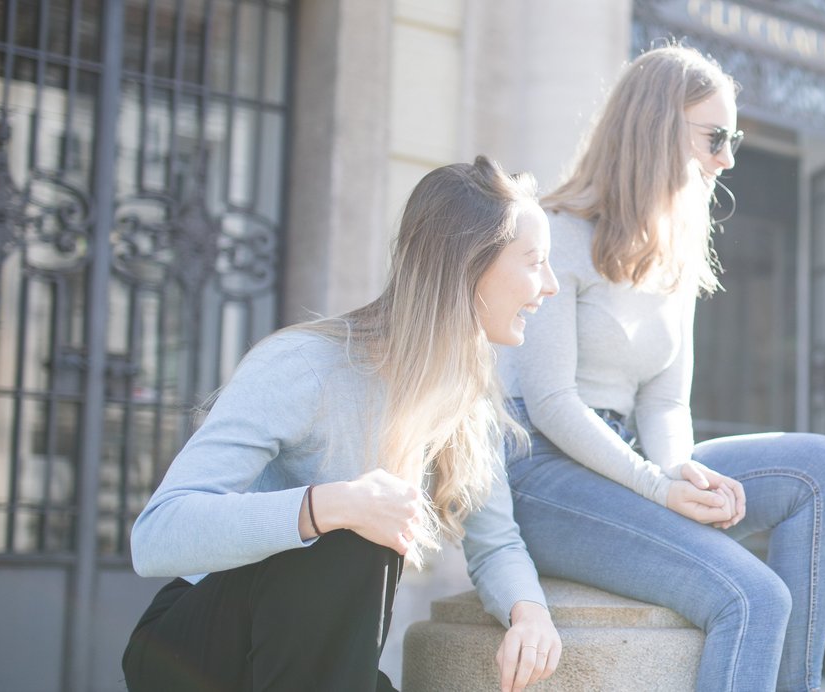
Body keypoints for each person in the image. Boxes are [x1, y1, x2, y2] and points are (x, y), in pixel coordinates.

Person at [124, 156, 562, 691]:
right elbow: (156, 536)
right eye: (535, 261)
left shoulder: (463, 396)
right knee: (356, 527)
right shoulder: (306, 365)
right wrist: (329, 506)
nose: (552, 285)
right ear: (470, 266)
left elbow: (494, 541)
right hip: (198, 653)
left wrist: (529, 614)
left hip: (312, 665)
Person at [496, 45, 825, 692]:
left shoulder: (675, 253)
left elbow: (664, 403)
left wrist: (679, 471)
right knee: (754, 597)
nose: (729, 157)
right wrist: (659, 488)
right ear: (656, 127)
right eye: (715, 137)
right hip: (544, 472)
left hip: (633, 458)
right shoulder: (557, 233)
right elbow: (550, 401)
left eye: (735, 137)